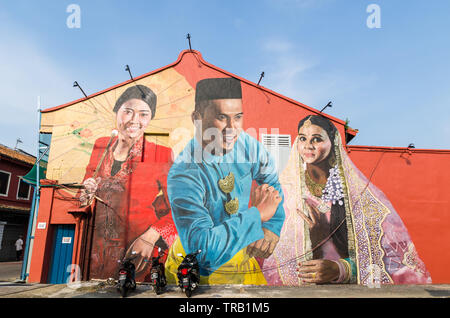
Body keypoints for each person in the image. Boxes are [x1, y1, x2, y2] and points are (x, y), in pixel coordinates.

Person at [263, 115, 432, 285]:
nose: (308, 145)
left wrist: (342, 269)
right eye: (302, 138)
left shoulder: (359, 197)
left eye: (317, 139)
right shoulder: (284, 195)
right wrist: (314, 241)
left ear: (333, 143)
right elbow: (270, 261)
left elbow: (392, 261)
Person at [165, 77, 285, 285]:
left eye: (237, 117)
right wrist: (257, 216)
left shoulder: (247, 145)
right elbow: (201, 253)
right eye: (222, 117)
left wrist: (271, 227)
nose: (232, 128)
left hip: (242, 263)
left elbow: (271, 181)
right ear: (197, 118)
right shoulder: (183, 173)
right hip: (195, 274)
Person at [80, 84, 176, 281]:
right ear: (116, 112)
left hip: (138, 255)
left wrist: (150, 237)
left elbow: (181, 207)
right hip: (93, 254)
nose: (134, 120)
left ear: (150, 119)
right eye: (128, 112)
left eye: (143, 114)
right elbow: (81, 197)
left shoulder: (161, 154)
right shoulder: (100, 145)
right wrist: (84, 194)